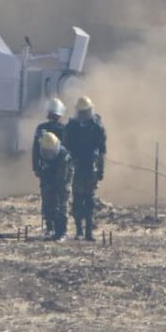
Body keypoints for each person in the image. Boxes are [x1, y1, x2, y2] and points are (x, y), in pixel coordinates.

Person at [63, 95, 106, 241]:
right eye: (81, 112)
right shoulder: (71, 126)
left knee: (89, 200)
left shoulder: (97, 127)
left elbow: (102, 150)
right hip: (76, 166)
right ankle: (79, 231)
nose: (83, 115)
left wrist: (101, 169)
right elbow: (66, 148)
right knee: (77, 199)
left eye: (85, 112)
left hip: (90, 167)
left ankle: (88, 231)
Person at [32, 97, 68, 235]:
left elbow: (35, 150)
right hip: (58, 168)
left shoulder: (41, 128)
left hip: (47, 168)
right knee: (60, 200)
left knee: (48, 199)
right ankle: (59, 230)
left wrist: (36, 167)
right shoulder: (64, 129)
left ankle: (50, 227)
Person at [38, 131, 73, 241]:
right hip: (49, 179)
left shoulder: (64, 156)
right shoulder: (43, 151)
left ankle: (61, 232)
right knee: (47, 203)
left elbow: (62, 177)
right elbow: (41, 167)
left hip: (62, 181)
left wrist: (53, 186)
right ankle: (50, 228)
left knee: (61, 205)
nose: (49, 154)